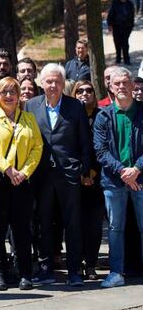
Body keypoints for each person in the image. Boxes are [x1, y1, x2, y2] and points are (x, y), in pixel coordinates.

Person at [26, 63, 91, 287]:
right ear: (41, 83)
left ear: (64, 84)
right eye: (49, 81)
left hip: (69, 175)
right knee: (43, 223)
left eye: (57, 81)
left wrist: (83, 169)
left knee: (72, 224)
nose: (53, 85)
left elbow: (85, 141)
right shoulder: (31, 106)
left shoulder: (75, 106)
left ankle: (74, 270)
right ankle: (45, 270)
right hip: (41, 175)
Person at [0, 76, 43, 290]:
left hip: (21, 182)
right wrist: (7, 168)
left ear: (18, 96)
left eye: (12, 92)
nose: (8, 96)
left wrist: (23, 172)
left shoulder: (28, 118)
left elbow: (37, 147)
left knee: (22, 228)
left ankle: (24, 273)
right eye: (4, 92)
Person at [94, 67, 143, 288]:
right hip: (114, 182)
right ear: (111, 88)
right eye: (117, 84)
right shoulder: (103, 115)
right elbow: (101, 150)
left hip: (140, 180)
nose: (122, 87)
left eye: (125, 83)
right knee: (115, 228)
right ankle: (116, 273)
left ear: (133, 86)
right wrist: (124, 172)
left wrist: (137, 169)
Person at [71, 80, 105, 280]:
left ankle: (91, 263)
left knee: (94, 225)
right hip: (74, 179)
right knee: (77, 224)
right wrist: (81, 173)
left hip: (97, 180)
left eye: (89, 90)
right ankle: (78, 262)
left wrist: (91, 173)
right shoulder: (70, 116)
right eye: (79, 91)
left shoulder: (102, 116)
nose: (84, 94)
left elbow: (102, 148)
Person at [107, 0, 135, 65]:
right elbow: (110, 14)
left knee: (125, 43)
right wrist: (109, 24)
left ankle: (126, 59)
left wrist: (131, 25)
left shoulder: (130, 3)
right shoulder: (115, 3)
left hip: (127, 27)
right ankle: (118, 58)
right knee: (117, 42)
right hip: (116, 26)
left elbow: (132, 15)